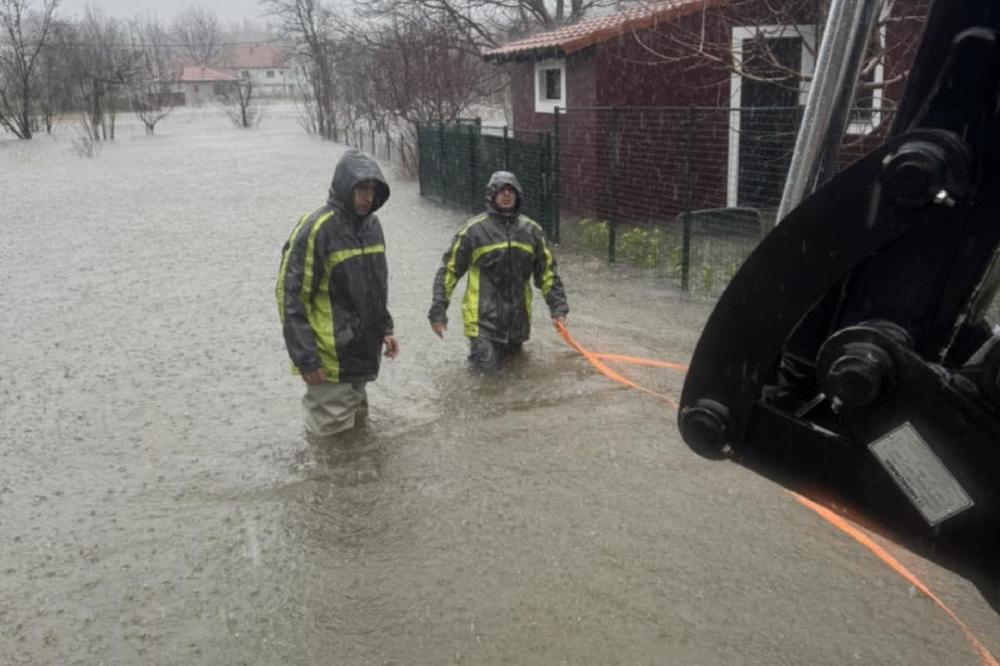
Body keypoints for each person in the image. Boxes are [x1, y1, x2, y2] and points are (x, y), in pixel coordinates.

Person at [276, 149, 399, 442]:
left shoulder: (372, 226)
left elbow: (373, 286)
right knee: (333, 446)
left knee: (358, 440)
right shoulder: (317, 229)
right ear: (345, 186)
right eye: (361, 188)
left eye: (372, 189)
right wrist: (307, 360)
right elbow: (289, 296)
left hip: (362, 354)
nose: (367, 197)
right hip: (330, 360)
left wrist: (385, 328)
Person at [428, 170, 568, 371]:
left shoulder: (532, 231)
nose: (507, 194)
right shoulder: (473, 231)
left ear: (518, 194)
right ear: (492, 195)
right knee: (486, 377)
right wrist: (438, 310)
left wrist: (558, 309)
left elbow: (548, 274)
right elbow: (448, 272)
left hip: (518, 322)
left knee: (515, 377)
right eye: (501, 190)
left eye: (511, 190)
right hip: (482, 323)